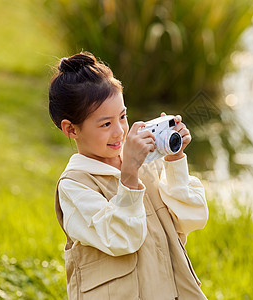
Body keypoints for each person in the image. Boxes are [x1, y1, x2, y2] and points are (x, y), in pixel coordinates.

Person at [49, 51, 208, 299]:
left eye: (122, 117)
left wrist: (174, 159)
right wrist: (130, 175)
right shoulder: (75, 185)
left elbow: (191, 217)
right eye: (105, 124)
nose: (120, 131)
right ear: (71, 129)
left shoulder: (147, 162)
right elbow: (122, 238)